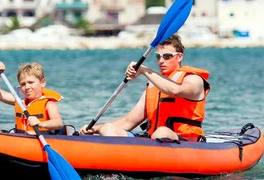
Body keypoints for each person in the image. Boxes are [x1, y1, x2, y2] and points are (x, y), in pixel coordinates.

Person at [80, 34, 210, 142]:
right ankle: (121, 165)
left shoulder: (194, 79)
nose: (161, 61)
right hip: (153, 140)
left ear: (179, 56)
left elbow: (175, 90)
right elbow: (128, 122)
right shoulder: (154, 85)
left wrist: (144, 70)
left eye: (167, 56)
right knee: (108, 128)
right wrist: (95, 129)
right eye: (158, 56)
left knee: (161, 132)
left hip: (186, 140)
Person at [0, 61, 64, 134]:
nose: (27, 87)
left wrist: (41, 124)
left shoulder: (48, 104)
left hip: (41, 139)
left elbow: (58, 123)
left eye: (31, 82)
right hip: (20, 139)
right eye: (23, 84)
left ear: (42, 82)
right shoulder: (19, 101)